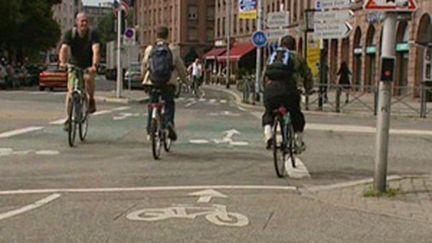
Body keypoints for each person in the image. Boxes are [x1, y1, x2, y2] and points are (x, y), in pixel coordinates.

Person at [262, 35, 313, 153]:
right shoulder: (296, 57)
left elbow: (263, 75)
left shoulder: (273, 56)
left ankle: (268, 133)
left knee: (269, 112)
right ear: (294, 46)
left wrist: (264, 90)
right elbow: (307, 75)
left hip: (271, 90)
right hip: (289, 90)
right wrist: (308, 89)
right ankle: (298, 141)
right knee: (296, 114)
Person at [141, 26, 189, 141]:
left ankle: (149, 131)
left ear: (156, 35)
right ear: (168, 35)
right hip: (168, 83)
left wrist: (143, 78)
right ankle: (168, 123)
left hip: (152, 82)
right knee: (169, 103)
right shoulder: (173, 49)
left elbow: (144, 65)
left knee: (152, 104)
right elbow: (180, 68)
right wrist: (186, 81)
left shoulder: (149, 49)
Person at [59, 12, 100, 130]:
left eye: (86, 21)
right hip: (74, 64)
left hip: (88, 64)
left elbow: (96, 50)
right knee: (71, 91)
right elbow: (64, 49)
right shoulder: (70, 34)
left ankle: (91, 99)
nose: (84, 23)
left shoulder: (92, 34)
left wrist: (94, 66)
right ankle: (68, 118)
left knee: (88, 79)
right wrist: (63, 63)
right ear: (76, 22)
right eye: (82, 21)